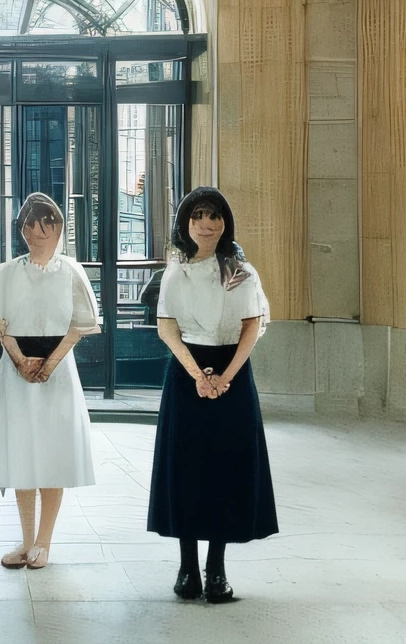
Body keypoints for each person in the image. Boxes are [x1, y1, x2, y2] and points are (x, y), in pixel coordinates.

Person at [147, 187, 277, 603]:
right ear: (186, 223)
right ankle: (187, 568)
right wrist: (197, 375)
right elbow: (167, 326)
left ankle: (216, 569)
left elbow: (251, 326)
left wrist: (224, 378)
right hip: (188, 372)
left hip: (231, 370)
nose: (208, 223)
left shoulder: (238, 269)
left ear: (225, 222)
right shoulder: (176, 271)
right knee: (185, 468)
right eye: (199, 215)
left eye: (215, 215)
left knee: (225, 469)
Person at [0, 193, 100, 569]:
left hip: (58, 370)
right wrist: (20, 362)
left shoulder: (71, 271)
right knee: (21, 451)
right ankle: (26, 537)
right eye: (28, 224)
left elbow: (80, 324)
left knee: (53, 453)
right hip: (15, 371)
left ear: (59, 227)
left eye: (44, 223)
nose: (35, 231)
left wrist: (48, 365)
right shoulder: (4, 272)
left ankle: (44, 541)